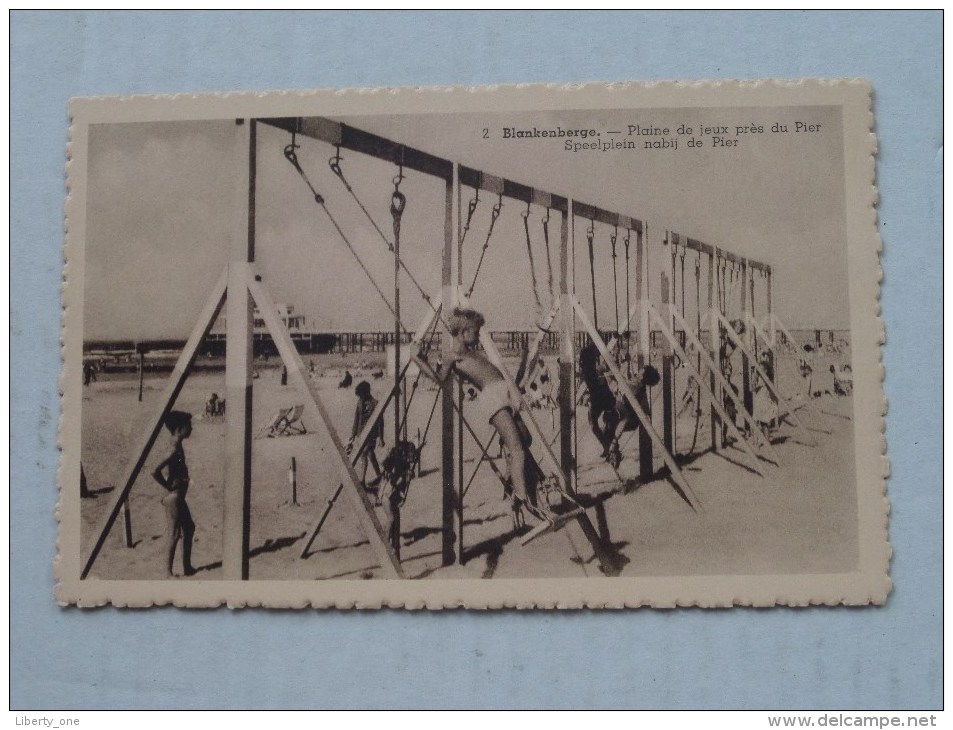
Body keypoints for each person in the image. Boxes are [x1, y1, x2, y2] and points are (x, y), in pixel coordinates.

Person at [411, 307, 538, 514]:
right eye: (476, 331)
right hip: (492, 398)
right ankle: (523, 499)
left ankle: (514, 478)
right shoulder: (453, 356)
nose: (479, 335)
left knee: (526, 438)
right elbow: (440, 379)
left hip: (503, 393)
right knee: (518, 450)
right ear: (463, 333)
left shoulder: (472, 352)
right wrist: (418, 360)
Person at [151, 410, 196, 578]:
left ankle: (187, 567)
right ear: (179, 429)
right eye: (188, 426)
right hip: (173, 497)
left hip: (178, 495)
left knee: (189, 528)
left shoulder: (177, 443)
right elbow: (154, 470)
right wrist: (167, 486)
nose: (191, 428)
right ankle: (167, 572)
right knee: (174, 533)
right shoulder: (173, 448)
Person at [347, 381, 384, 490]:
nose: (360, 397)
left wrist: (381, 438)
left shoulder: (375, 404)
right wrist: (353, 435)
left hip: (371, 434)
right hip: (360, 434)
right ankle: (379, 475)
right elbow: (356, 419)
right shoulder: (359, 403)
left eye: (361, 395)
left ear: (366, 392)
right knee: (370, 455)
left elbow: (380, 422)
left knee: (365, 454)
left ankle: (362, 481)